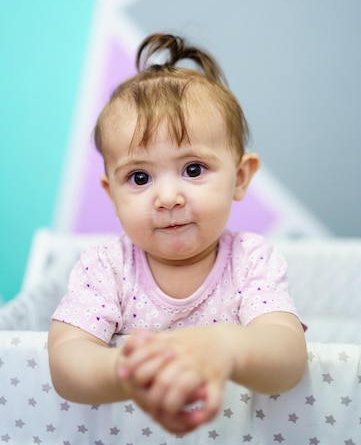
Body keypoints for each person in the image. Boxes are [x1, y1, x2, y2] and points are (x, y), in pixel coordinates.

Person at [48, 33, 307, 435]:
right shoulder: (106, 267)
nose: (168, 198)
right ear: (111, 194)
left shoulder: (252, 259)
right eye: (139, 177)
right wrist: (127, 370)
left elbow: (289, 357)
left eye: (193, 169)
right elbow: (66, 359)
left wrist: (228, 347)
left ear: (240, 178)